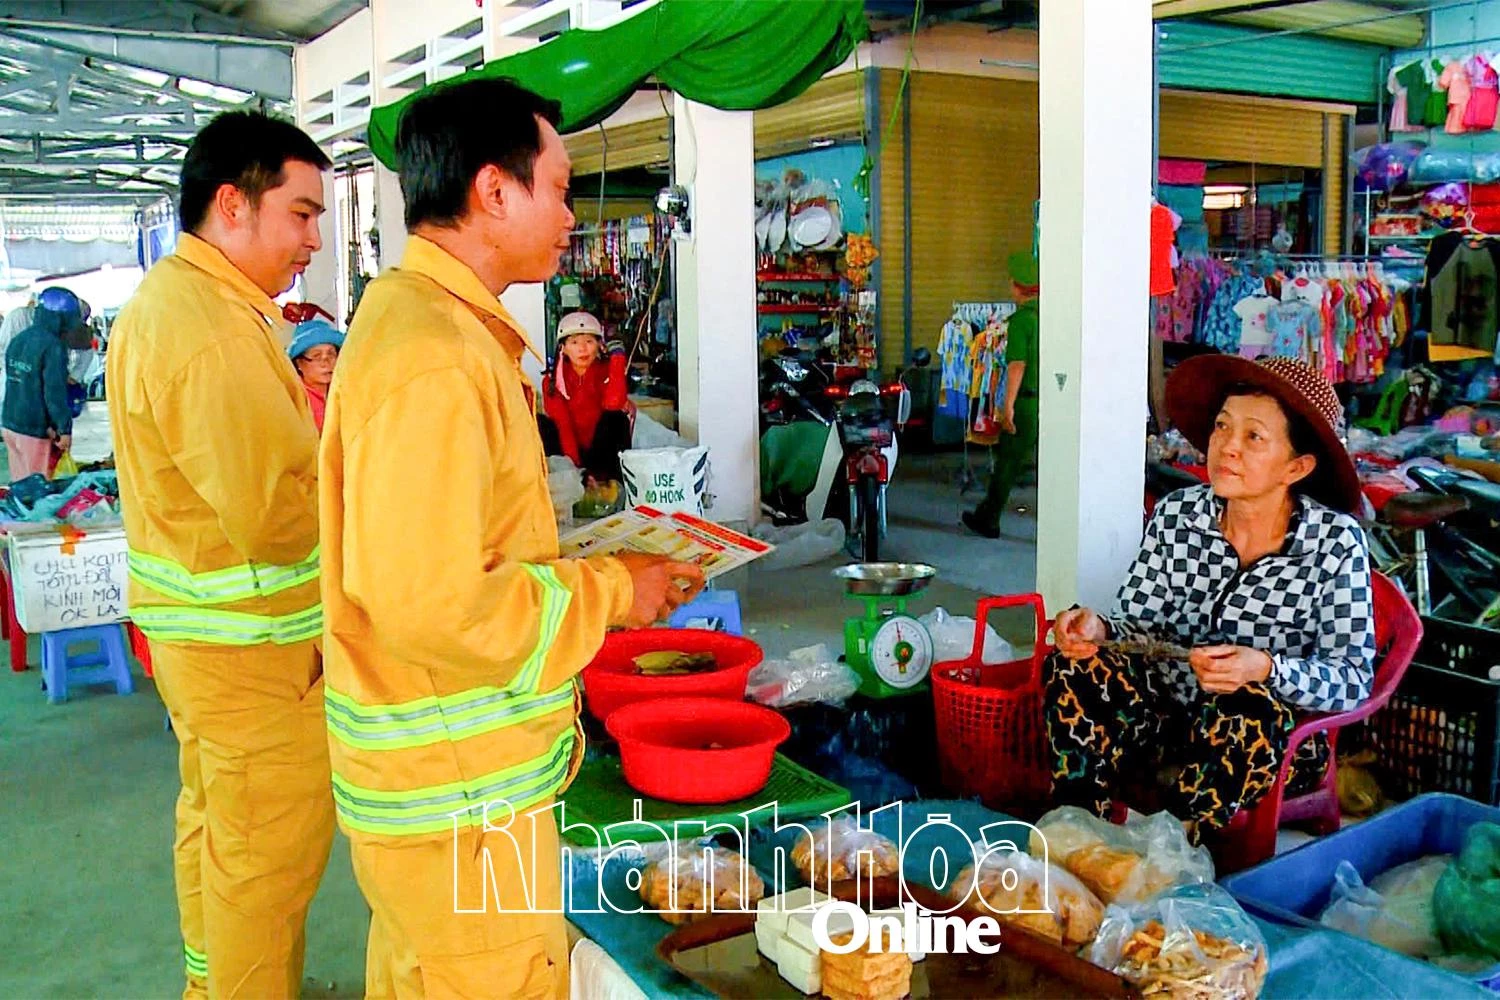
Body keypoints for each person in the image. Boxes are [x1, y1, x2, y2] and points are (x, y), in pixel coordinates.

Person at [320, 76, 704, 998]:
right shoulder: (436, 358)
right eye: (562, 189)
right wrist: (615, 590)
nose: (574, 215)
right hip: (457, 801)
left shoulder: (436, 330)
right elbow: (432, 604)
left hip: (449, 791)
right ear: (494, 191)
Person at [107, 110, 332, 1000]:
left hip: (214, 648)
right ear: (232, 206)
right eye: (302, 214)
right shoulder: (205, 327)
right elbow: (281, 515)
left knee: (221, 841)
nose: (314, 239)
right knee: (263, 872)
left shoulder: (193, 304)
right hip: (251, 654)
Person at [1047, 356, 1376, 844]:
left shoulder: (1334, 543)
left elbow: (1353, 681)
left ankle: (1173, 849)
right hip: (1163, 717)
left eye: (1253, 437)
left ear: (1297, 466)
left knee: (1245, 706)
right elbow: (1138, 625)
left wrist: (1265, 667)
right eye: (1223, 427)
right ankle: (1078, 832)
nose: (1227, 448)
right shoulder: (1179, 514)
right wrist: (1099, 631)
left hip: (1268, 744)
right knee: (1075, 665)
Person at [962, 251, 1040, 539]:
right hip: (1051, 401)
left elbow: (1017, 365)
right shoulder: (1051, 316)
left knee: (1007, 463)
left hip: (1027, 401)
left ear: (1018, 287)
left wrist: (1007, 407)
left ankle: (989, 518)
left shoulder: (1022, 321)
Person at [539, 309, 634, 483]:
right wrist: (576, 470)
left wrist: (617, 359)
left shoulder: (607, 370)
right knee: (541, 424)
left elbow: (613, 404)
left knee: (617, 420)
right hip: (568, 451)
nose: (582, 349)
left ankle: (609, 483)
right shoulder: (552, 381)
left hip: (601, 451)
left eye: (589, 341)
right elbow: (563, 426)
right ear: (563, 348)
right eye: (574, 342)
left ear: (599, 345)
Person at [3, 287, 83, 481]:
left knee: (21, 489)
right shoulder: (53, 346)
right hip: (34, 431)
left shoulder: (19, 339)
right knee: (38, 494)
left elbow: (20, 383)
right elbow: (53, 394)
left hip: (9, 424)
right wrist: (63, 429)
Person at [286, 318, 343, 434]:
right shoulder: (295, 399)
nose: (326, 362)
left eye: (331, 354)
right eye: (317, 356)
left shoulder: (343, 391)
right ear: (299, 363)